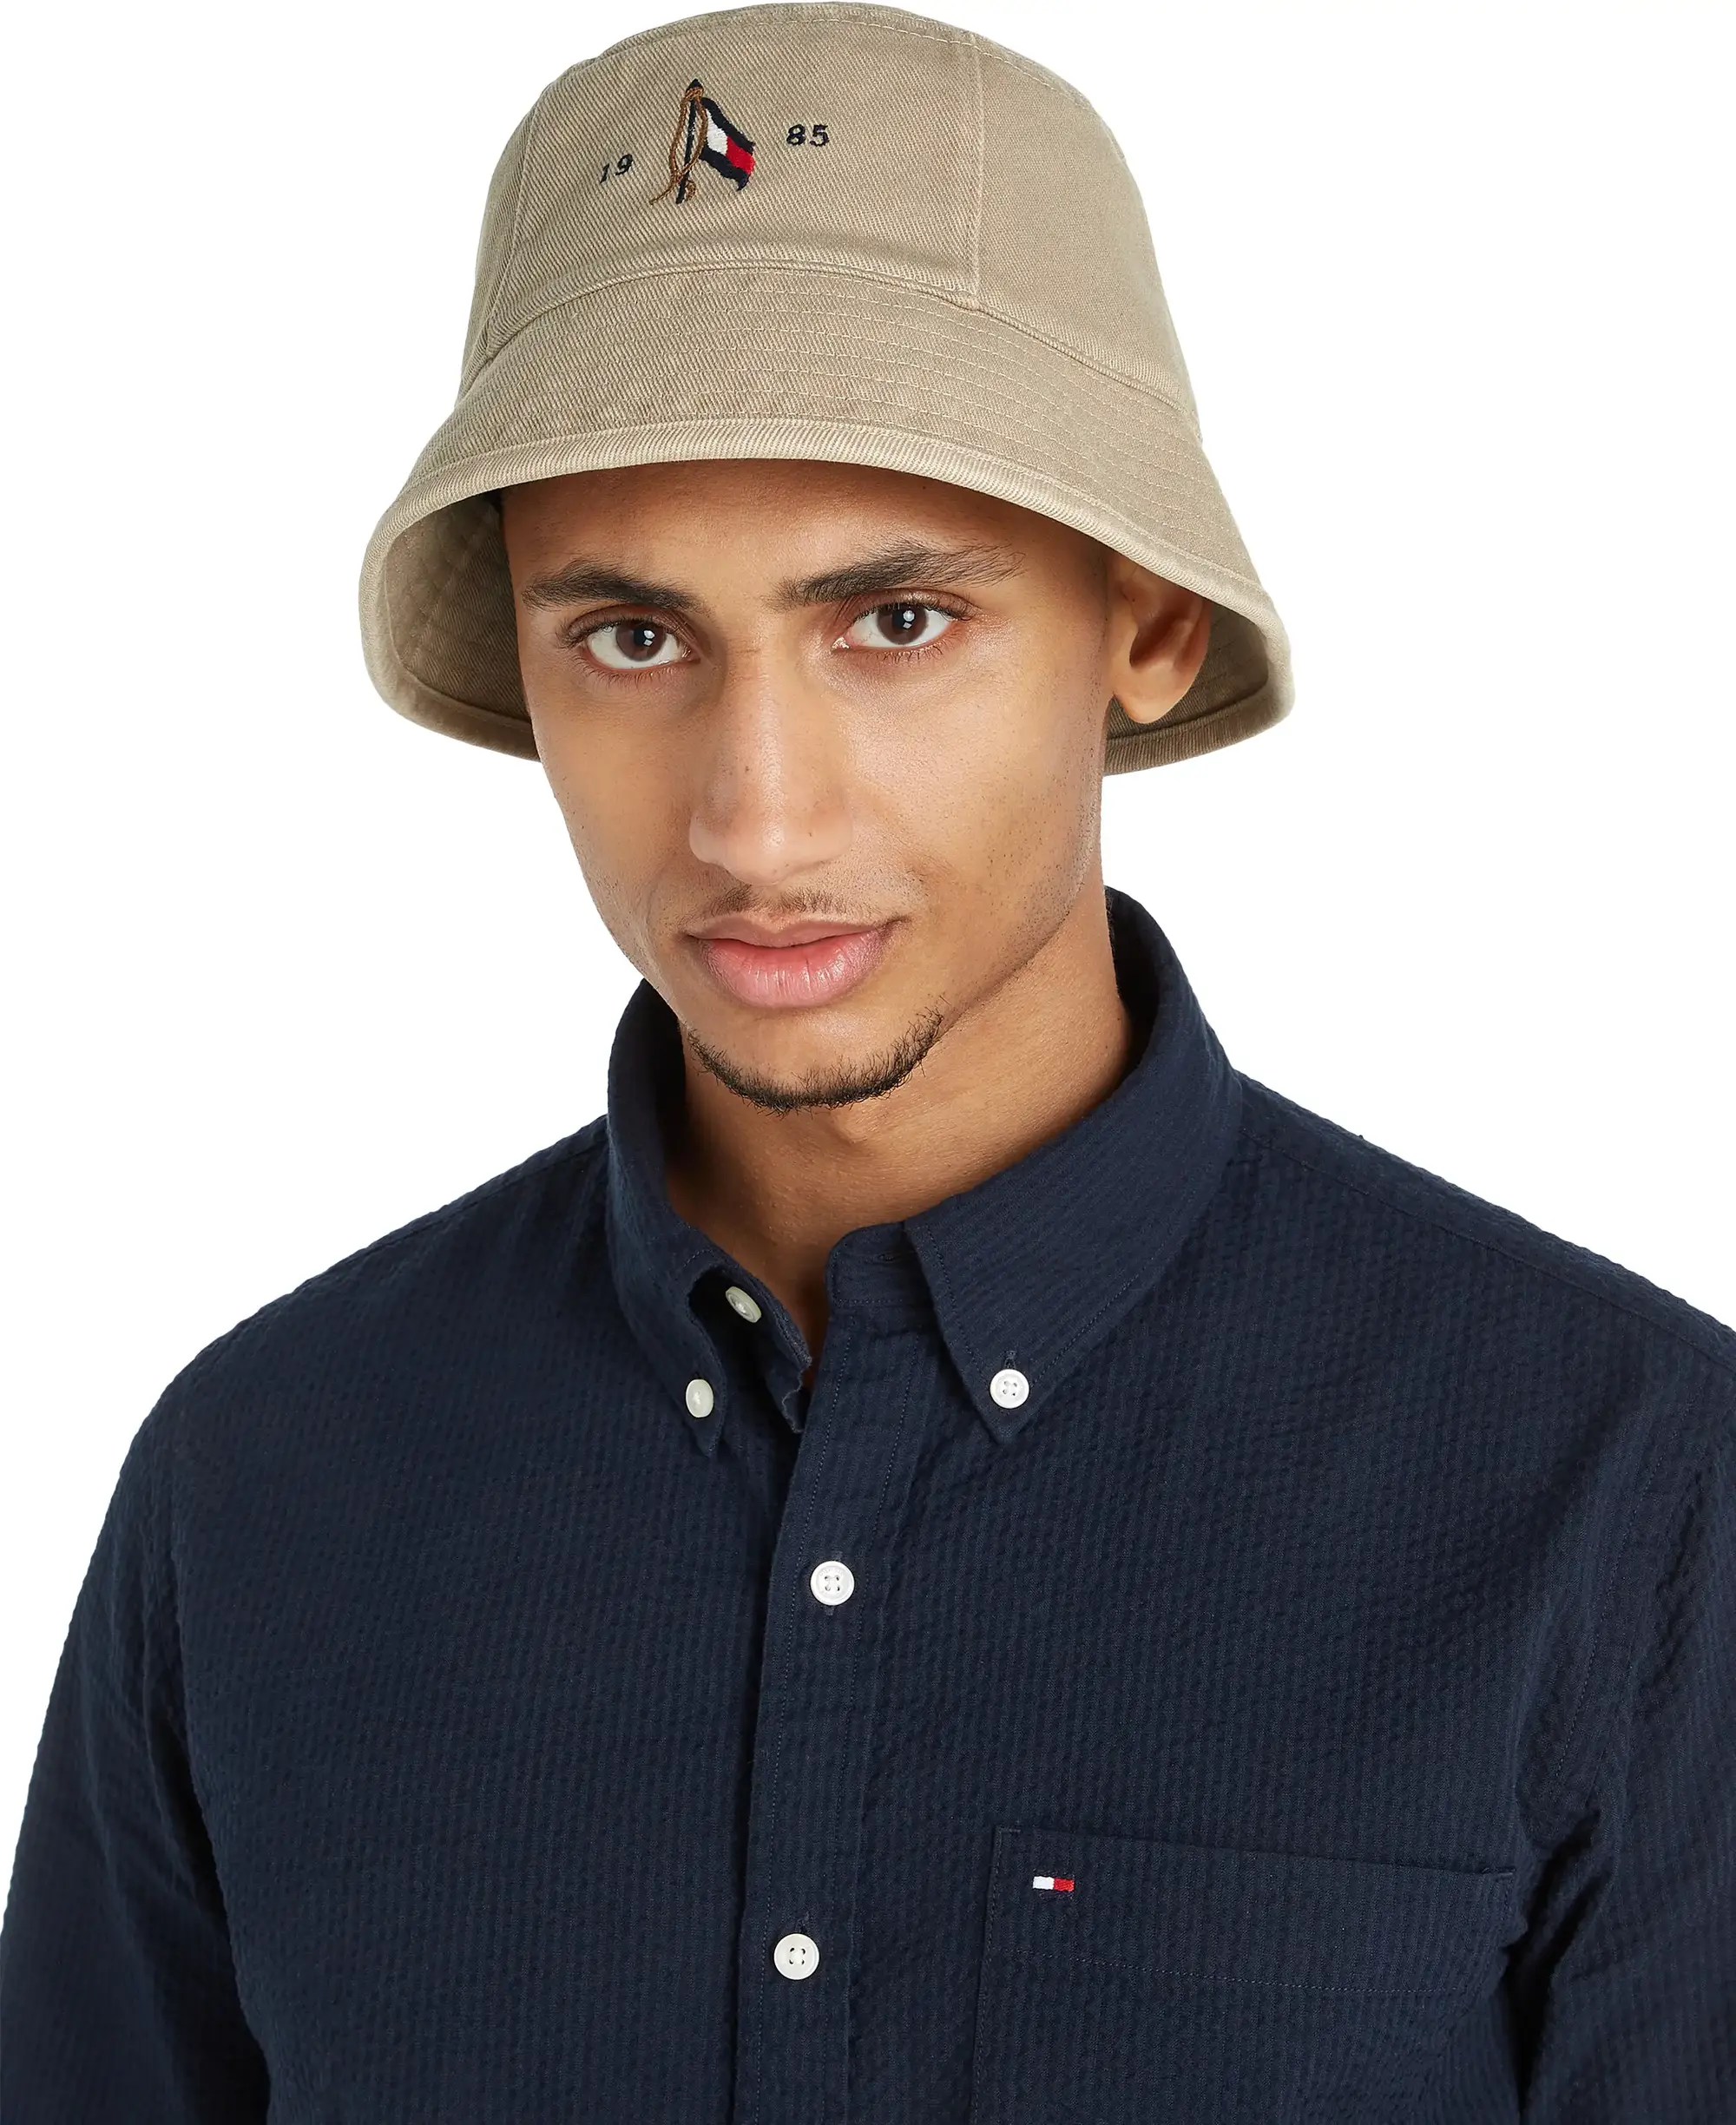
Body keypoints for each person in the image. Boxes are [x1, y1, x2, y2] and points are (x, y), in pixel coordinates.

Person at [3, 5, 1732, 2119]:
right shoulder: (263, 1479)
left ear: (1145, 625)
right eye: (633, 637)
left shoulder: (1621, 1489)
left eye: (895, 623)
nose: (755, 820)